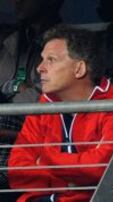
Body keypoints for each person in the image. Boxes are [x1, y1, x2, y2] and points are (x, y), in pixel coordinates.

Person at [8, 25, 113, 202]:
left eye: (51, 60)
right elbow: (17, 172)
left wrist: (44, 161)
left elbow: (104, 169)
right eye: (42, 59)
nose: (40, 68)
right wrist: (68, 182)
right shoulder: (45, 103)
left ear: (79, 69)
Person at [0, 0, 64, 200]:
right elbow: (4, 82)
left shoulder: (65, 41)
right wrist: (14, 88)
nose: (16, 3)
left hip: (35, 131)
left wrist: (10, 94)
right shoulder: (12, 40)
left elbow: (46, 95)